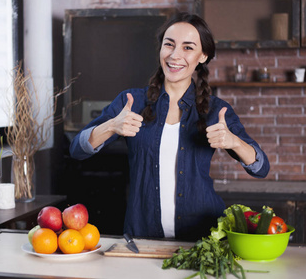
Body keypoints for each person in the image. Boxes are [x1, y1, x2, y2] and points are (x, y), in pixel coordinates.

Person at [69, 12, 269, 241]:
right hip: (142, 237)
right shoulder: (131, 102)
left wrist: (234, 141)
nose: (175, 55)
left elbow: (261, 167)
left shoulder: (216, 110)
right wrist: (112, 126)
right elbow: (77, 149)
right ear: (161, 49)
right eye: (169, 44)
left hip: (203, 240)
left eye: (188, 48)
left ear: (202, 56)